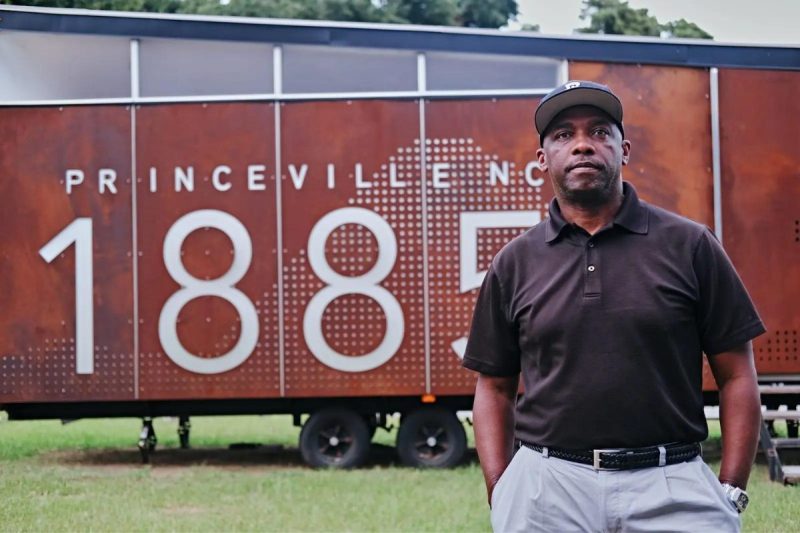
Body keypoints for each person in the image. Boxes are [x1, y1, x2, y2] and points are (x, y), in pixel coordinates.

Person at [462, 80, 764, 533]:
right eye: (564, 135)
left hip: (671, 481)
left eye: (600, 132)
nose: (583, 145)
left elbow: (738, 375)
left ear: (623, 150)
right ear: (543, 159)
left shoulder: (690, 245)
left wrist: (731, 490)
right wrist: (502, 489)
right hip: (549, 487)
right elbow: (494, 389)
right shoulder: (515, 262)